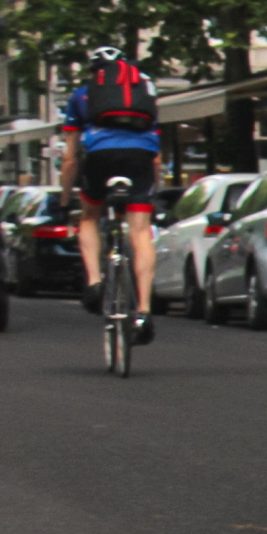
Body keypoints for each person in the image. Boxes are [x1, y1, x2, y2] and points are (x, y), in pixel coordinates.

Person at [60, 45, 160, 344]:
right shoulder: (144, 94)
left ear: (94, 72)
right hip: (140, 158)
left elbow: (69, 157)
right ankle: (143, 311)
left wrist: (66, 199)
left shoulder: (81, 95)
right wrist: (154, 191)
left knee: (89, 217)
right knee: (140, 234)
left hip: (100, 159)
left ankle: (94, 282)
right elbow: (157, 156)